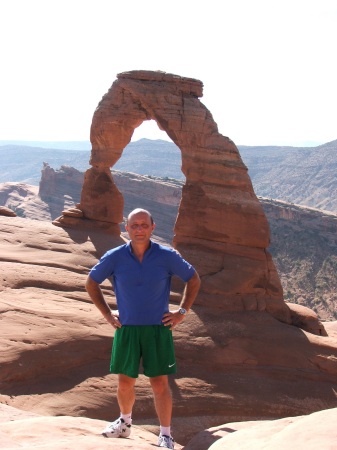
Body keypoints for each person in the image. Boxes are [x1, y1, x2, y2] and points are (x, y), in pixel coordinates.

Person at [85, 208, 200, 449]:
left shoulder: (166, 255)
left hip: (157, 330)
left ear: (152, 227)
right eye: (134, 225)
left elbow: (193, 278)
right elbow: (91, 281)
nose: (139, 229)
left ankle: (166, 435)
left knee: (160, 384)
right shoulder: (115, 256)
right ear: (126, 228)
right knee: (125, 382)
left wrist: (181, 312)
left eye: (143, 225)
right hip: (127, 329)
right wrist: (107, 314)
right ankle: (124, 424)